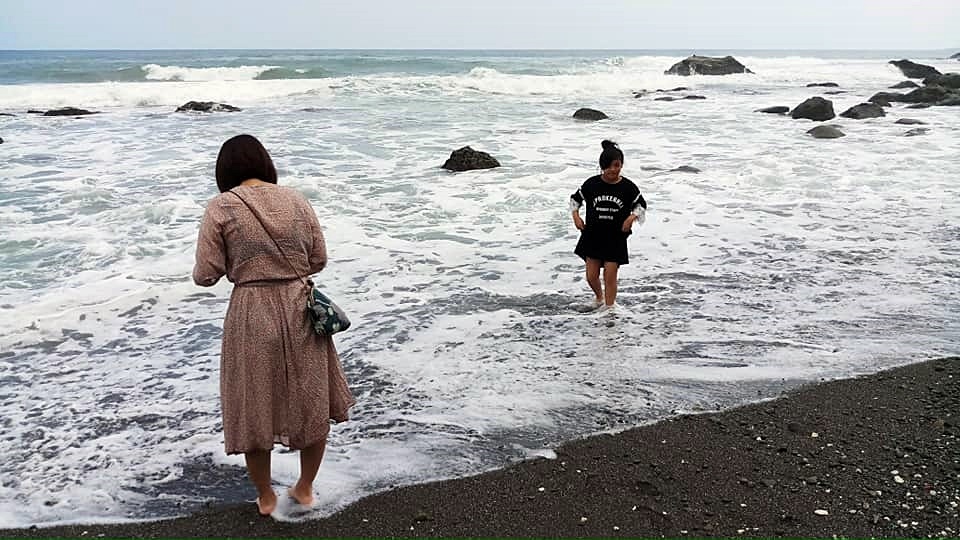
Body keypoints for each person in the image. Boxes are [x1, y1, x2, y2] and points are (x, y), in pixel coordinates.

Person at [193, 134, 355, 516]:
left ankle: (266, 496)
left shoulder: (221, 207)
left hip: (252, 311)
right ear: (265, 164)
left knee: (254, 403)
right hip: (301, 307)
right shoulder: (297, 200)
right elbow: (318, 259)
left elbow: (206, 274)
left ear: (225, 170)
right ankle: (304, 487)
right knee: (312, 398)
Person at [570, 140, 647, 310]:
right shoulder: (591, 184)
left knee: (610, 276)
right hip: (592, 236)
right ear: (602, 166)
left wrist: (631, 218)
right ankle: (599, 298)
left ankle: (609, 311)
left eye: (617, 165)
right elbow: (575, 200)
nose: (613, 170)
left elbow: (641, 206)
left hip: (615, 238)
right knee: (591, 276)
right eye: (609, 166)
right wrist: (576, 217)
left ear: (621, 165)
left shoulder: (628, 187)